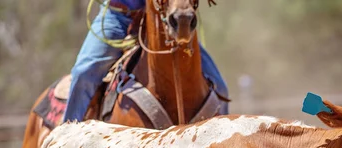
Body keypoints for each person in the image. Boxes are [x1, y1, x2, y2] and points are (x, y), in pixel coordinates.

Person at [64, 0, 228, 122]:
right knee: (84, 74)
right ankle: (66, 146)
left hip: (166, 16)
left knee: (220, 88)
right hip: (119, 17)